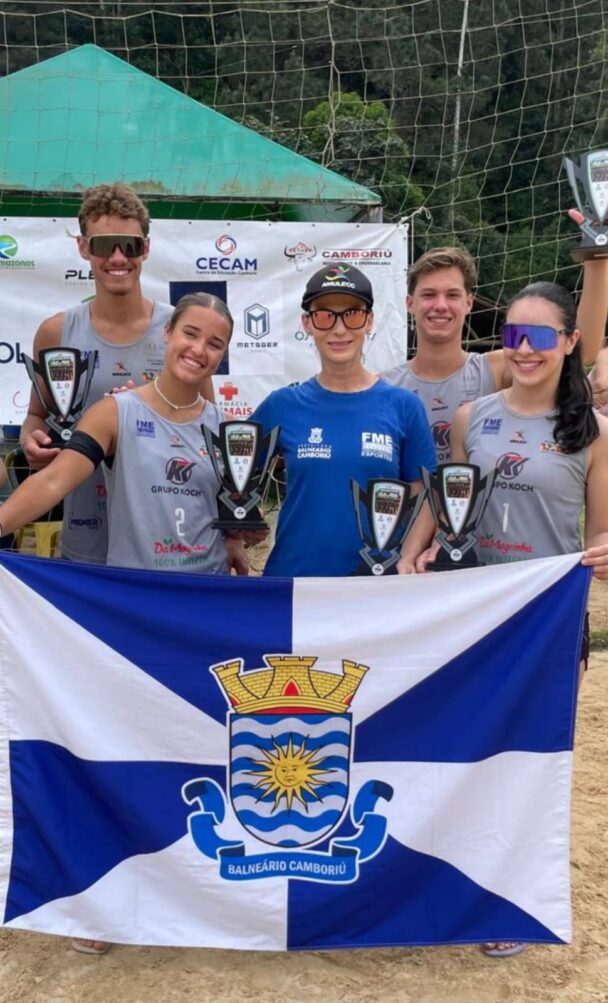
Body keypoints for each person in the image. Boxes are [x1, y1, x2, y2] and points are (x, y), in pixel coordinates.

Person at [421, 282, 608, 958]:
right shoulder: (472, 416)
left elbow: (601, 532)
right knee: (465, 751)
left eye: (539, 336)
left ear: (569, 342)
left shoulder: (595, 433)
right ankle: (455, 881)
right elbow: (447, 501)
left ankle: (511, 899)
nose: (524, 349)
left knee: (529, 762)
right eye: (512, 336)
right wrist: (413, 549)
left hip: (547, 624)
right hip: (475, 614)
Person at [20, 181, 214, 565]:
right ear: (83, 248)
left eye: (131, 245)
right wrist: (32, 441)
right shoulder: (56, 333)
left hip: (167, 545)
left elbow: (208, 434)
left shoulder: (180, 332)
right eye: (105, 245)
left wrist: (232, 534)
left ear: (147, 248)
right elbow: (36, 416)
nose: (119, 257)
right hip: (86, 534)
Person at [0, 293, 245, 579]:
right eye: (190, 333)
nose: (199, 349)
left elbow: (233, 509)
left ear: (223, 354)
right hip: (131, 589)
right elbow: (53, 481)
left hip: (207, 586)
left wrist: (241, 531)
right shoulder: (114, 412)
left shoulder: (227, 429)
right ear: (167, 332)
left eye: (214, 344)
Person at [251, 263, 437, 577]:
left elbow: (425, 494)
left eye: (352, 314)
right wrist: (236, 526)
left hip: (374, 585)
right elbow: (229, 473)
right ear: (307, 323)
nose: (339, 329)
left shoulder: (404, 406)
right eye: (325, 315)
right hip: (294, 582)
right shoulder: (282, 405)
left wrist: (407, 557)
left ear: (369, 321)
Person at [382, 231, 608, 462]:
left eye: (452, 295)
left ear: (469, 303)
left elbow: (582, 350)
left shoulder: (494, 369)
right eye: (429, 294)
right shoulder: (384, 386)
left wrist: (597, 252)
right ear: (410, 303)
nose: (440, 305)